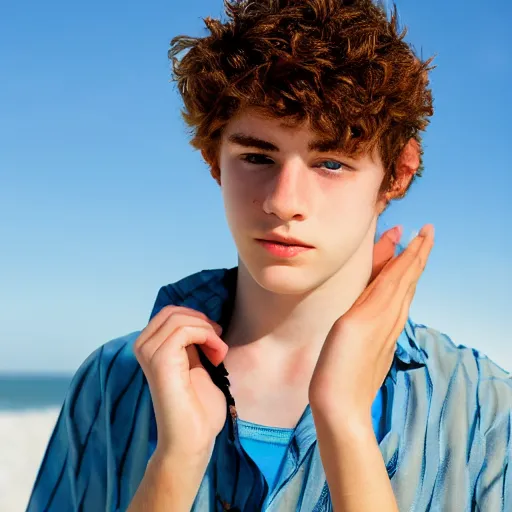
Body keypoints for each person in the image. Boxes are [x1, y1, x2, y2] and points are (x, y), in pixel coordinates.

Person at [27, 1, 512, 511]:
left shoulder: (486, 409)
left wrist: (346, 424)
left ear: (398, 173)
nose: (283, 201)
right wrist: (176, 462)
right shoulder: (112, 380)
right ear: (214, 158)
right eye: (257, 157)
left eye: (331, 162)